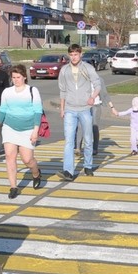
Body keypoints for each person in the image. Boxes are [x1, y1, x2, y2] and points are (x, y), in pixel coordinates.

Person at [0, 64, 43, 198]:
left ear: (24, 77)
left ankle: (36, 173)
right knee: (10, 157)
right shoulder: (7, 92)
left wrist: (35, 131)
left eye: (18, 77)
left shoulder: (32, 91)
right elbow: (2, 111)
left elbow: (38, 112)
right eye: (13, 77)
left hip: (28, 129)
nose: (16, 80)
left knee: (27, 159)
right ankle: (13, 187)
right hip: (10, 128)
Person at [57, 44, 101, 180]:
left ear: (81, 54)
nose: (74, 57)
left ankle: (88, 166)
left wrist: (92, 97)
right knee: (69, 141)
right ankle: (68, 171)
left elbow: (98, 84)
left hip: (85, 109)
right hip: (70, 109)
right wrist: (62, 108)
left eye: (76, 54)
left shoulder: (88, 68)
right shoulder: (64, 70)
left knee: (88, 139)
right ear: (68, 55)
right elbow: (62, 91)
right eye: (71, 54)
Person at [76, 73, 115, 156]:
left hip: (96, 106)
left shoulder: (99, 80)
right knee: (80, 126)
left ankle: (95, 148)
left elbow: (104, 94)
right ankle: (78, 148)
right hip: (84, 107)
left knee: (94, 126)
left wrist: (112, 107)